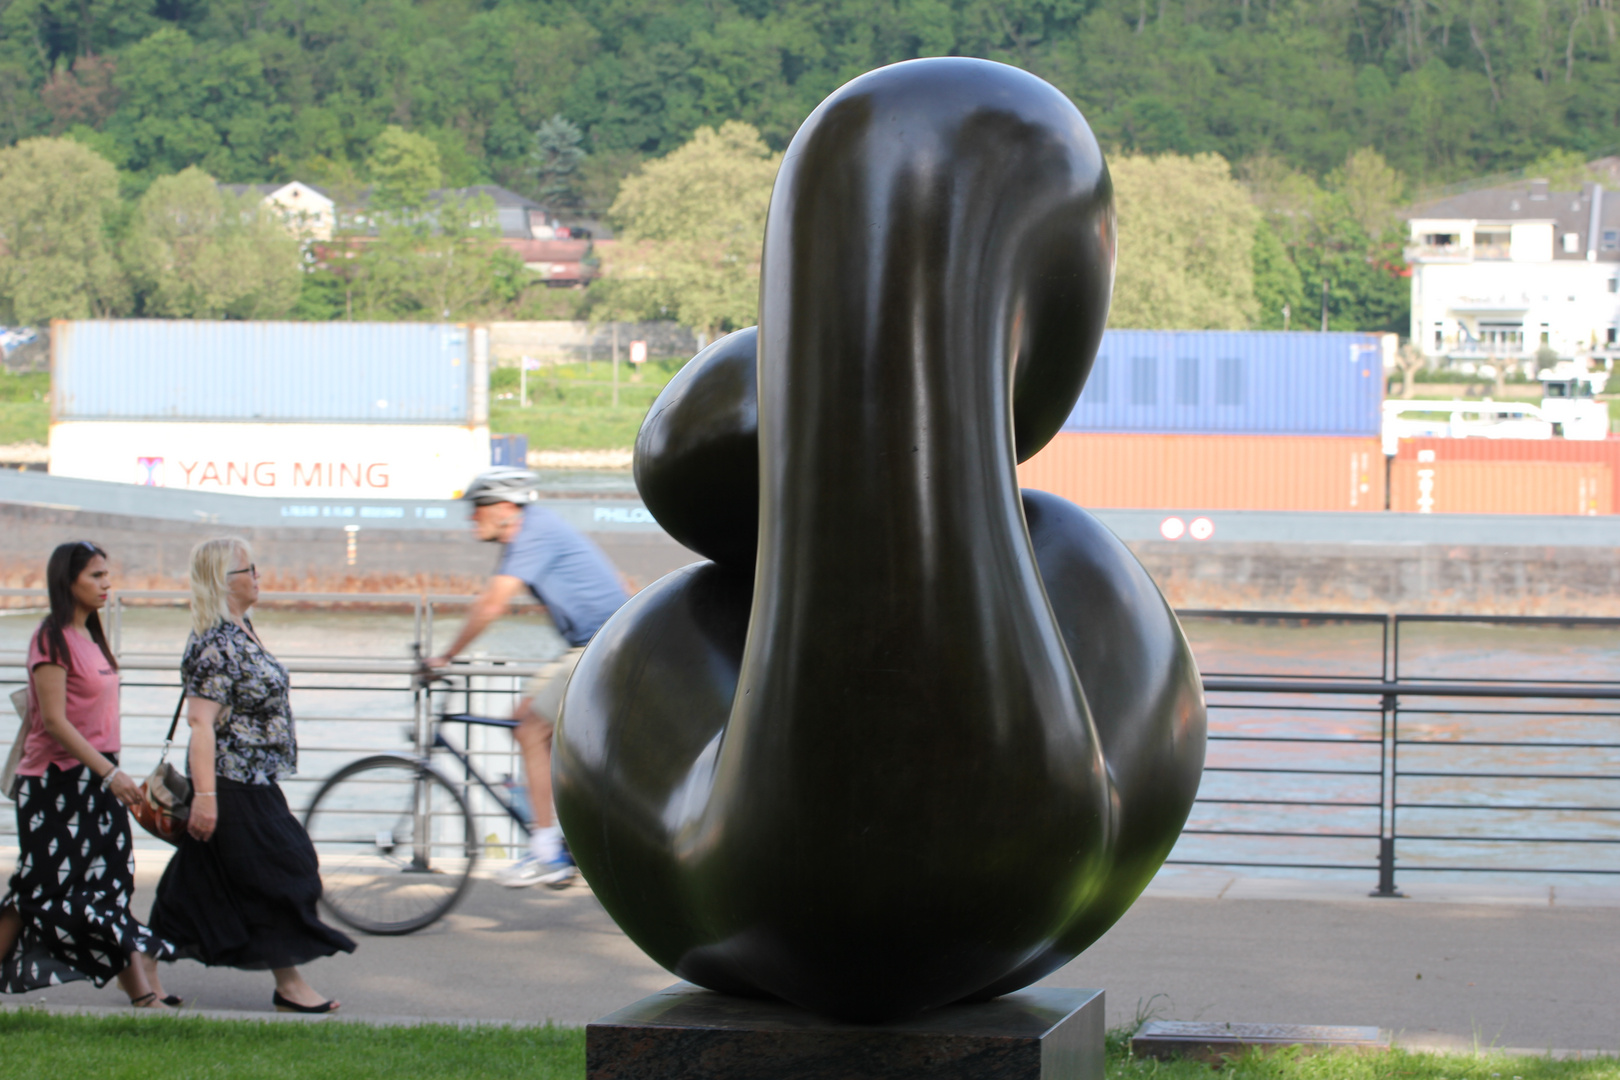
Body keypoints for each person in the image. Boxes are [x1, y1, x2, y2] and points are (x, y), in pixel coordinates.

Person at [148, 537, 355, 1013]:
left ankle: (138, 963)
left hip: (255, 777)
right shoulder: (216, 642)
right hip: (228, 782)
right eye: (249, 569)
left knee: (196, 883)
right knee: (285, 870)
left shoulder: (242, 629)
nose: (258, 576)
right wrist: (205, 796)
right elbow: (200, 722)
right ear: (224, 581)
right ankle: (289, 983)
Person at [428, 468, 630, 887]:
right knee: (526, 721)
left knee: (530, 728)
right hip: (596, 644)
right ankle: (564, 835)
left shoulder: (533, 533)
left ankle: (547, 852)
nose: (472, 519)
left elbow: (491, 604)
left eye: (477, 509)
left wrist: (444, 657)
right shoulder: (530, 532)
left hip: (604, 645)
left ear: (505, 508)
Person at [0, 541, 177, 1007]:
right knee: (40, 890)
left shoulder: (91, 636)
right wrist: (108, 774)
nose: (106, 583)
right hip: (54, 785)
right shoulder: (50, 637)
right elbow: (55, 722)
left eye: (106, 574)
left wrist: (110, 774)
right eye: (96, 576)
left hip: (97, 780)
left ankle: (143, 998)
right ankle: (144, 998)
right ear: (68, 580)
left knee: (107, 884)